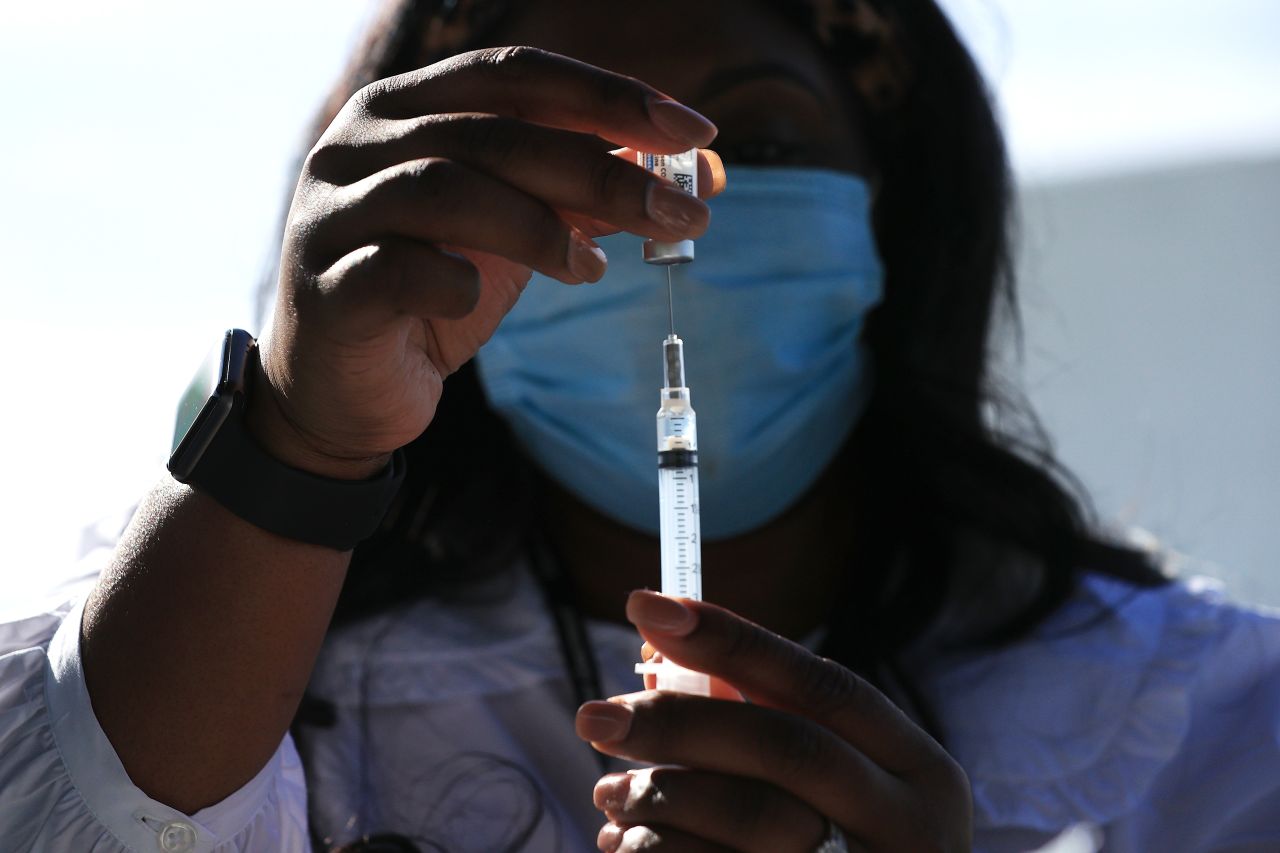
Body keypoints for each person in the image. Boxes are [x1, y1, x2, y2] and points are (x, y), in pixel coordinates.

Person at [1, 0, 1278, 851]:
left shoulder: (1216, 719)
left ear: (897, 213)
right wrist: (299, 441)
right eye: (558, 151)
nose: (666, 210)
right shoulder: (250, 636)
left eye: (757, 138)